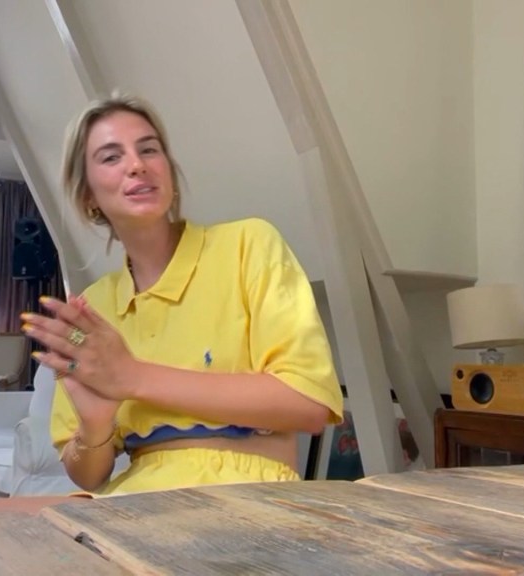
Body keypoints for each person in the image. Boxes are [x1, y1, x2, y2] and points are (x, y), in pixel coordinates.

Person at [20, 93, 344, 496]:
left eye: (148, 149)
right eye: (111, 157)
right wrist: (96, 424)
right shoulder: (94, 306)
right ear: (88, 196)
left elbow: (308, 404)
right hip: (130, 499)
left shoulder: (249, 245)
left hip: (251, 496)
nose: (137, 165)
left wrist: (133, 377)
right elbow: (87, 475)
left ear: (169, 172)